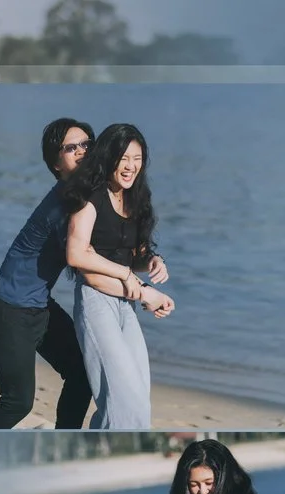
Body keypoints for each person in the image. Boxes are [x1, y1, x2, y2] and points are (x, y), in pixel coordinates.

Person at [0, 117, 127, 429]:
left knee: (81, 374)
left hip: (38, 306)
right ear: (56, 164)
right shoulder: (66, 202)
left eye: (87, 144)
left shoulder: (83, 194)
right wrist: (134, 285)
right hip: (10, 309)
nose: (82, 152)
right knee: (17, 402)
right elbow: (84, 260)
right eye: (71, 148)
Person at [63, 123, 175, 429]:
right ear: (108, 157)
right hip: (96, 302)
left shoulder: (136, 198)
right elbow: (78, 255)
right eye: (124, 158)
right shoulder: (90, 197)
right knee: (125, 402)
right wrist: (143, 290)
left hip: (125, 305)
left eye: (137, 158)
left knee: (137, 398)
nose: (130, 167)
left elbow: (134, 255)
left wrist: (152, 261)